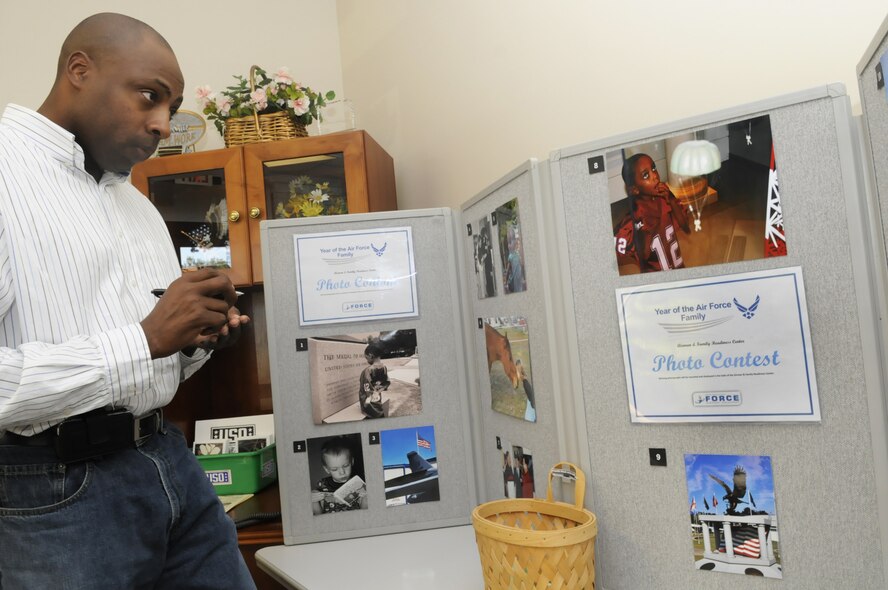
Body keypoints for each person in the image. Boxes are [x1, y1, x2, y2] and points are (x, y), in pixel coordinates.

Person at [0, 13, 254, 589]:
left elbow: (155, 356)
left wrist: (198, 340)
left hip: (169, 461)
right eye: (149, 96)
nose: (163, 124)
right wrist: (145, 340)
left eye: (173, 106)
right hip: (48, 490)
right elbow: (142, 342)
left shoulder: (137, 204)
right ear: (80, 70)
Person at [613, 153, 690, 272]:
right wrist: (645, 228)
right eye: (646, 175)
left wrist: (671, 200)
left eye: (653, 168)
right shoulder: (633, 221)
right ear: (634, 189)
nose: (655, 176)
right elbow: (643, 255)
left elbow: (686, 227)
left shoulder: (665, 199)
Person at [311, 437, 368, 514]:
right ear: (327, 469)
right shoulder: (322, 484)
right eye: (334, 469)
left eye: (346, 466)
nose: (342, 472)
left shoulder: (358, 484)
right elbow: (318, 513)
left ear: (352, 462)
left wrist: (365, 498)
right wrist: (314, 501)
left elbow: (364, 511)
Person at [358, 341, 389, 419]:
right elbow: (386, 383)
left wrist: (366, 400)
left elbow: (365, 388)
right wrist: (378, 391)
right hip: (378, 400)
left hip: (370, 404)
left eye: (367, 358)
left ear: (370, 356)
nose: (367, 361)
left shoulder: (367, 371)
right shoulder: (384, 367)